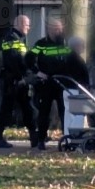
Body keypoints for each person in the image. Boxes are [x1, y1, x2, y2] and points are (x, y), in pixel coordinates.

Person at [26, 18, 69, 150]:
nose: (57, 31)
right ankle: (41, 140)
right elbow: (28, 59)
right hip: (46, 83)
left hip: (62, 83)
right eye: (54, 28)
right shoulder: (41, 44)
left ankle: (67, 139)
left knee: (65, 112)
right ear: (49, 29)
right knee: (44, 112)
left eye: (59, 28)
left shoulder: (65, 43)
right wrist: (37, 72)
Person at [0, 14, 33, 149]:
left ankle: (34, 136)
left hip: (16, 80)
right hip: (13, 81)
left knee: (25, 109)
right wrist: (21, 77)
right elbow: (14, 60)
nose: (29, 28)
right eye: (27, 25)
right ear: (20, 24)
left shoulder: (18, 39)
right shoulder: (12, 39)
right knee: (8, 109)